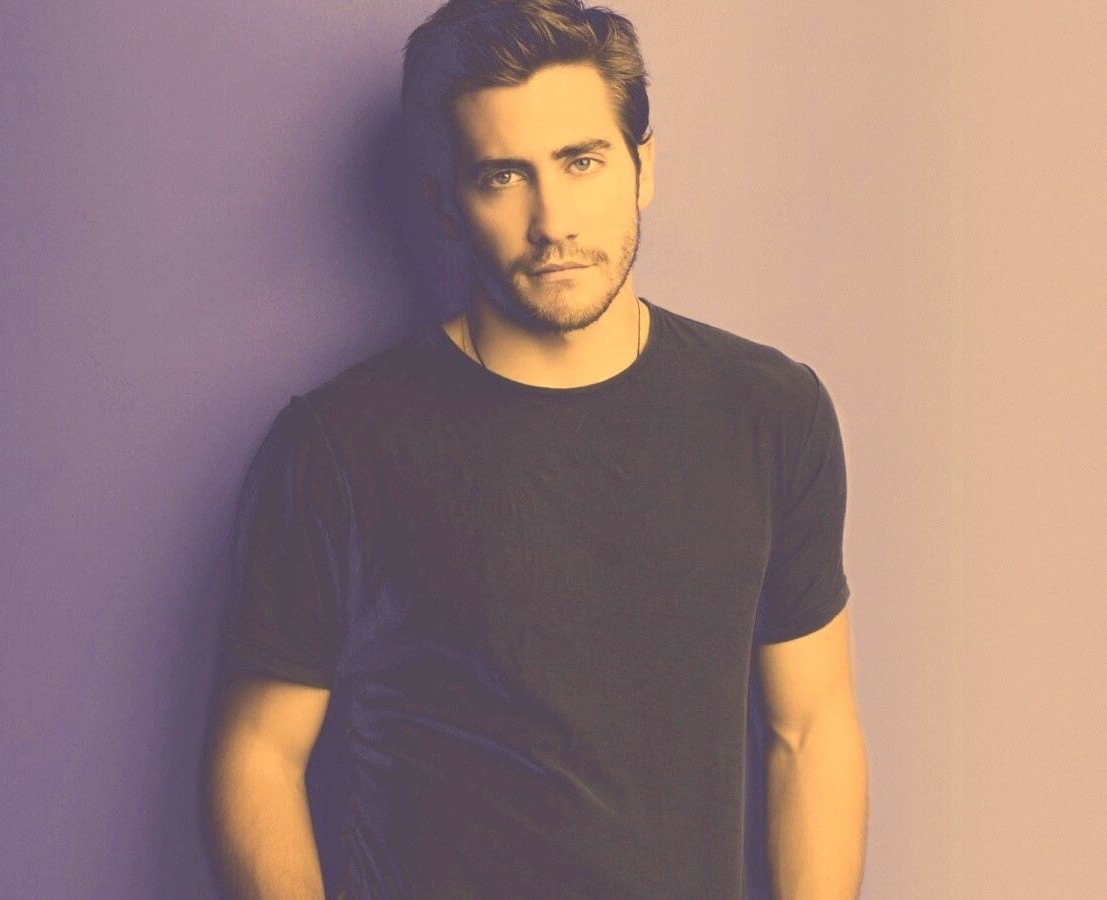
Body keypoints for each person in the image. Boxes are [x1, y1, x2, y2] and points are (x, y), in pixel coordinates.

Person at [203, 1, 869, 898]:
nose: (552, 219)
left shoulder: (770, 412)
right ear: (446, 202)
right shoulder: (339, 445)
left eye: (581, 161)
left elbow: (811, 729)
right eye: (504, 175)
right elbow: (259, 754)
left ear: (643, 168)